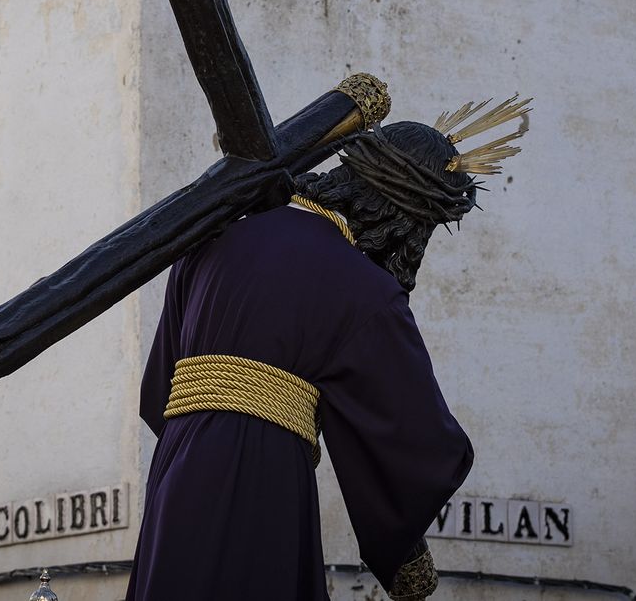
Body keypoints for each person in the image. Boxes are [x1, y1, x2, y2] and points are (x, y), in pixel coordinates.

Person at [127, 100, 529, 600]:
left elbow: (158, 394)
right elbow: (407, 431)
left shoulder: (213, 239)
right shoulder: (364, 289)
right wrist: (406, 555)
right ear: (406, 217)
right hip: (261, 474)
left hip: (175, 472)